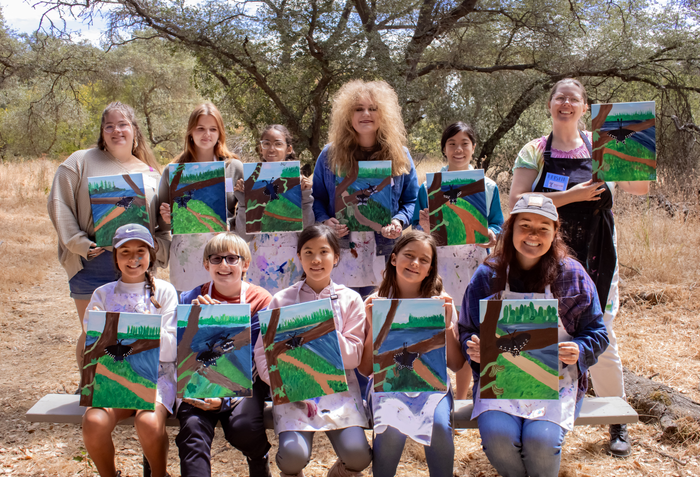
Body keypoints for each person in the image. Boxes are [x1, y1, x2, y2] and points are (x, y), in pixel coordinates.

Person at [509, 78, 649, 457]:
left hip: (597, 257)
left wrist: (636, 151)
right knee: (537, 328)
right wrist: (571, 195)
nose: (566, 104)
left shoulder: (601, 144)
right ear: (550, 104)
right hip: (544, 255)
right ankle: (530, 417)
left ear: (585, 107)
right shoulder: (535, 150)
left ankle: (617, 421)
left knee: (602, 335)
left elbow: (640, 190)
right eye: (560, 98)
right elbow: (517, 200)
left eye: (574, 99)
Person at [460, 194, 609, 477]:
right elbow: (467, 328)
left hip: (558, 380)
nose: (533, 235)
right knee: (498, 437)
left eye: (543, 228)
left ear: (555, 232)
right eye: (525, 226)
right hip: (499, 379)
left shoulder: (573, 275)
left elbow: (598, 332)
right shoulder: (488, 275)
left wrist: (579, 349)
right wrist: (473, 347)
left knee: (541, 441)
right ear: (511, 229)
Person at [47, 101, 168, 368]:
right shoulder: (80, 161)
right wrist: (80, 244)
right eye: (109, 126)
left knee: (131, 334)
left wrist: (157, 246)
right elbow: (58, 204)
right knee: (93, 333)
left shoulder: (151, 174)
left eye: (122, 124)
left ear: (134, 129)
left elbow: (161, 226)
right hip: (93, 262)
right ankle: (88, 385)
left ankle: (126, 386)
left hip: (136, 264)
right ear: (102, 132)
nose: (116, 131)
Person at [253, 224, 372, 477]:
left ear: (336, 257)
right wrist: (281, 383)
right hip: (293, 394)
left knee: (359, 456)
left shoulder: (351, 299)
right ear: (299, 257)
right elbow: (262, 354)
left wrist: (322, 328)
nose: (316, 259)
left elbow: (353, 356)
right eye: (308, 252)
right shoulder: (281, 300)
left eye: (324, 252)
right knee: (292, 457)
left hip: (339, 393)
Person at [357, 230, 463, 477]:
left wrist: (446, 327)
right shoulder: (376, 302)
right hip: (386, 386)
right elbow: (365, 369)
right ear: (394, 258)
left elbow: (456, 364)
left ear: (430, 269)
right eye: (409, 255)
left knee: (439, 426)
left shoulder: (442, 302)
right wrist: (374, 328)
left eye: (424, 260)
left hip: (433, 388)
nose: (415, 263)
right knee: (390, 428)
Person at [412, 121, 505, 399]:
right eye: (452, 144)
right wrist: (423, 228)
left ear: (474, 147)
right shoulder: (428, 187)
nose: (458, 149)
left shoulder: (488, 187)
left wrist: (491, 235)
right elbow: (418, 228)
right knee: (438, 329)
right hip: (438, 269)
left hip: (475, 269)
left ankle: (463, 399)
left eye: (465, 143)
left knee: (470, 331)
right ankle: (436, 393)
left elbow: (497, 224)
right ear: (444, 148)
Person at [82, 224, 177, 477]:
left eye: (140, 251)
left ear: (151, 255)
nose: (133, 258)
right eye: (125, 251)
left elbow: (171, 351)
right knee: (94, 421)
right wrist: (103, 328)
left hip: (156, 376)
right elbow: (94, 347)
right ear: (115, 257)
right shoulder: (102, 294)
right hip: (114, 377)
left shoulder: (165, 292)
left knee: (148, 422)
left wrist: (140, 331)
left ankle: (159, 474)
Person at [176, 232, 273, 477]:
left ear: (245, 264)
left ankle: (258, 457)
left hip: (245, 381)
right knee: (192, 429)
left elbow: (255, 355)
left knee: (243, 428)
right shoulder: (189, 298)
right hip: (198, 379)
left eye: (232, 258)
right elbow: (181, 353)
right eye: (216, 259)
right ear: (206, 264)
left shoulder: (260, 300)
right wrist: (195, 322)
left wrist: (226, 400)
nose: (224, 265)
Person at [312, 79, 419, 297]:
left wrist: (398, 221)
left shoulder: (400, 154)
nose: (366, 114)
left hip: (385, 251)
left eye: (373, 108)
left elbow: (411, 200)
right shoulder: (329, 155)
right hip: (341, 250)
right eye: (358, 109)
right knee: (343, 310)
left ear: (384, 114)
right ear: (347, 115)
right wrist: (325, 221)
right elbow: (318, 198)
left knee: (380, 310)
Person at [158, 102, 244, 292]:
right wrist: (167, 219)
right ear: (190, 131)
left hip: (224, 255)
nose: (207, 134)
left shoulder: (234, 167)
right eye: (200, 128)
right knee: (189, 307)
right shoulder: (172, 171)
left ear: (220, 133)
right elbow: (162, 224)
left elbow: (246, 213)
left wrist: (230, 226)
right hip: (186, 258)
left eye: (213, 129)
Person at [233, 124, 315, 294]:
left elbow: (307, 231)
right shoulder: (251, 182)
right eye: (266, 143)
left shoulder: (299, 182)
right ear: (260, 148)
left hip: (292, 265)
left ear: (289, 149)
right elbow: (243, 236)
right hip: (259, 266)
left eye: (278, 143)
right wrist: (242, 200)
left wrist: (306, 196)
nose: (272, 148)